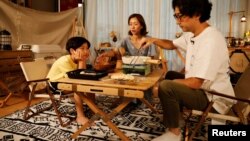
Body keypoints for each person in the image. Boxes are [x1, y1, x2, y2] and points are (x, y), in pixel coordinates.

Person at [140, 0, 235, 140]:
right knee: (171, 75)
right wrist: (153, 40)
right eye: (176, 16)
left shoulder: (210, 40)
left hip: (214, 97)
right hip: (205, 88)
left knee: (166, 86)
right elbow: (171, 44)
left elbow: (196, 82)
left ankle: (174, 133)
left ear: (197, 14)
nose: (178, 21)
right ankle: (177, 119)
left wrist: (160, 86)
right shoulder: (193, 34)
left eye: (180, 16)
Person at [47, 36, 91, 126]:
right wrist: (82, 60)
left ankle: (93, 108)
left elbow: (83, 75)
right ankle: (80, 116)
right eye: (82, 48)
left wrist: (82, 61)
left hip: (66, 80)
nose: (86, 51)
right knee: (78, 87)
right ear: (72, 51)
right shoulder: (64, 60)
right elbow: (78, 79)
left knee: (89, 85)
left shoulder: (77, 59)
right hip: (54, 84)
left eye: (87, 48)